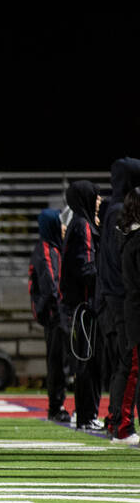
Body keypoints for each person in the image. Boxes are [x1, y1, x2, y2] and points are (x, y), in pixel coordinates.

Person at [96, 159, 139, 438]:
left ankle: (117, 421)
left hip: (120, 298)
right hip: (123, 300)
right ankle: (120, 424)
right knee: (128, 363)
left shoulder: (115, 211)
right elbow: (118, 263)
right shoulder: (118, 212)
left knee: (127, 363)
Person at [58, 180, 103, 431]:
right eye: (96, 196)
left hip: (78, 306)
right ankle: (87, 415)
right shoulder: (83, 225)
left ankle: (86, 413)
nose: (99, 201)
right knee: (87, 362)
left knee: (86, 363)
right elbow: (86, 266)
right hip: (82, 307)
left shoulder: (80, 222)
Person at [28, 208, 69, 422]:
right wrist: (63, 308)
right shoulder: (46, 250)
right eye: (59, 223)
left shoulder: (51, 247)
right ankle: (56, 406)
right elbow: (52, 286)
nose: (63, 227)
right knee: (57, 362)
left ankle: (58, 404)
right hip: (56, 315)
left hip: (56, 313)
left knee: (60, 362)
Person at [115, 188, 140, 445]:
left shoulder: (128, 236)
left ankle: (122, 425)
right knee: (133, 371)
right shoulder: (136, 239)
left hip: (133, 311)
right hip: (136, 312)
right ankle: (122, 426)